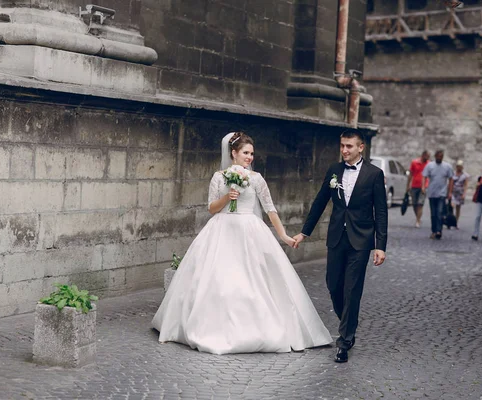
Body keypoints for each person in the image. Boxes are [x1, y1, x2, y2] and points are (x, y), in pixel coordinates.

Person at [151, 132, 332, 355]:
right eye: (245, 153)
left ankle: (261, 329)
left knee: (256, 280)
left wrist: (283, 236)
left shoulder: (256, 178)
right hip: (221, 229)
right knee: (217, 280)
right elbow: (211, 208)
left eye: (252, 153)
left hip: (250, 230)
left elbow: (270, 209)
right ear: (233, 153)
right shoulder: (219, 177)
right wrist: (228, 197)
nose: (249, 157)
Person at [292, 130, 387, 363]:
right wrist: (305, 232)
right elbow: (320, 201)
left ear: (361, 148)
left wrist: (380, 245)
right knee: (333, 285)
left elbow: (381, 211)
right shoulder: (334, 170)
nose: (345, 150)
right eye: (342, 146)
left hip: (361, 240)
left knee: (352, 288)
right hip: (336, 237)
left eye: (350, 146)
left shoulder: (375, 174)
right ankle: (349, 321)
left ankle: (344, 341)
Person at [422, 149, 453, 240]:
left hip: (442, 193)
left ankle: (439, 231)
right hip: (432, 193)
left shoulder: (447, 166)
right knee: (433, 214)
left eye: (441, 156)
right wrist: (423, 187)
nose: (440, 158)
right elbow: (424, 176)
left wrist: (450, 191)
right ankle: (434, 230)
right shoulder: (430, 166)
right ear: (435, 156)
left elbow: (451, 179)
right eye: (438, 156)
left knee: (439, 212)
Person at [407, 150, 430, 228]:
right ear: (423, 155)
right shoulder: (414, 162)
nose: (428, 158)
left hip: (424, 186)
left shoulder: (429, 164)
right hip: (414, 185)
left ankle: (418, 220)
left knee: (420, 204)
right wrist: (408, 185)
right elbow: (411, 174)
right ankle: (418, 217)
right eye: (427, 156)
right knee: (414, 204)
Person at [450, 160, 470, 228]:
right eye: (458, 166)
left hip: (460, 192)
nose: (459, 168)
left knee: (458, 208)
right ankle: (450, 221)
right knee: (452, 206)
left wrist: (464, 194)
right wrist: (449, 192)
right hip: (453, 191)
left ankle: (456, 222)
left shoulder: (465, 175)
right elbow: (451, 183)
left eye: (460, 167)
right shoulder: (453, 174)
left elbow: (465, 185)